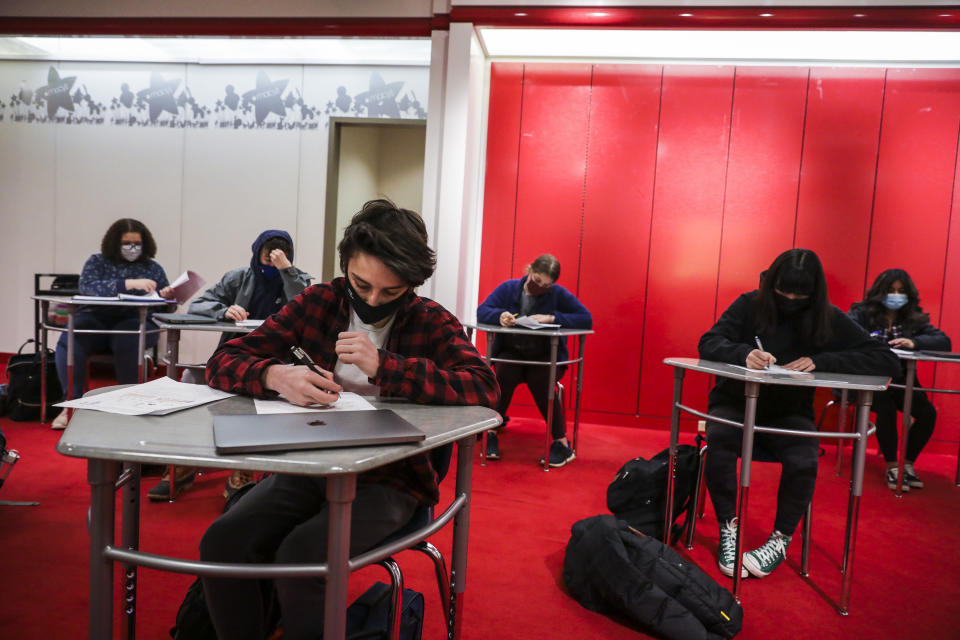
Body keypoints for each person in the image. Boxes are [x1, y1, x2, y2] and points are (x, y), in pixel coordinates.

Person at [198, 199, 499, 640]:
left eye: (390, 292)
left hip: (393, 478)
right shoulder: (319, 302)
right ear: (345, 268)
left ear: (411, 284)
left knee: (302, 558)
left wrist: (388, 368)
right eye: (361, 284)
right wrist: (274, 374)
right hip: (308, 462)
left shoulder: (430, 320)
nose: (373, 300)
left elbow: (485, 388)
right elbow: (224, 360)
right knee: (222, 542)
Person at [698, 248, 899, 580]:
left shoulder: (826, 315)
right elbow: (708, 342)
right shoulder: (749, 304)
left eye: (799, 295)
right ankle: (728, 527)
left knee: (805, 460)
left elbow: (884, 359)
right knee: (719, 442)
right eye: (783, 292)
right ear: (772, 284)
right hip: (734, 402)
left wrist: (822, 360)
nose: (790, 299)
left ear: (813, 293)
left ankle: (780, 540)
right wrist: (743, 353)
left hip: (789, 412)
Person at [147, 229, 312, 501]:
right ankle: (183, 464)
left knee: (254, 402)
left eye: (277, 259)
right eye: (266, 258)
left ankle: (243, 470)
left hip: (277, 361)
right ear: (256, 254)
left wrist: (287, 271)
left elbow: (305, 309)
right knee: (189, 379)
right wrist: (222, 311)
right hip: (233, 356)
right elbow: (200, 304)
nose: (270, 265)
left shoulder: (298, 279)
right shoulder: (238, 277)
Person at [51, 218, 172, 430]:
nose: (132, 248)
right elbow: (87, 287)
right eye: (127, 243)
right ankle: (72, 404)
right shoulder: (97, 262)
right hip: (95, 317)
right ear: (115, 242)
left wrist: (168, 296)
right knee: (70, 339)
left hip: (135, 320)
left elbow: (166, 307)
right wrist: (126, 284)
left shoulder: (152, 268)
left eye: (137, 243)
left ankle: (129, 402)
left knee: (128, 339)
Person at [476, 254, 592, 467]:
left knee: (541, 378)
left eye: (546, 285)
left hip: (545, 356)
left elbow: (586, 318)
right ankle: (490, 430)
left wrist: (553, 318)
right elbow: (482, 311)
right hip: (512, 352)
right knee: (503, 372)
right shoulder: (509, 288)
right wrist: (500, 316)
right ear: (529, 270)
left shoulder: (557, 294)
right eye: (538, 281)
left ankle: (561, 442)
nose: (541, 287)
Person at [848, 268, 951, 491]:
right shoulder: (861, 312)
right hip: (867, 377)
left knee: (927, 414)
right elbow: (847, 333)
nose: (896, 295)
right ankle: (892, 466)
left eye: (901, 291)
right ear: (879, 292)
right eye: (891, 290)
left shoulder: (913, 317)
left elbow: (943, 340)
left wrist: (914, 342)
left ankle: (907, 463)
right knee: (885, 409)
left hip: (901, 377)